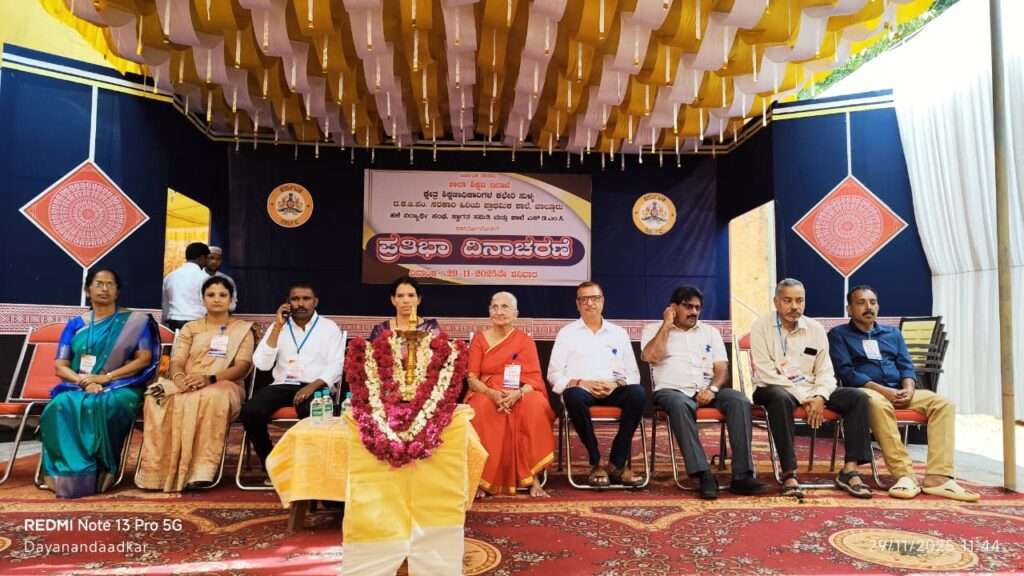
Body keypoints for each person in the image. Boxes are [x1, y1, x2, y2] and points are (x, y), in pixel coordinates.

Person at [828, 285, 980, 502]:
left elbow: (906, 365)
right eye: (861, 303)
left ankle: (938, 477)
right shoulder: (839, 335)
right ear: (849, 309)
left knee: (943, 404)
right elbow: (846, 372)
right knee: (876, 403)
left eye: (873, 302)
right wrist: (883, 391)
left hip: (900, 390)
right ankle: (904, 475)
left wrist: (908, 389)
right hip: (867, 390)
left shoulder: (893, 334)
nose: (868, 307)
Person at [39, 269, 160, 498]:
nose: (104, 289)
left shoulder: (135, 322)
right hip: (78, 385)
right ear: (88, 290)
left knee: (105, 403)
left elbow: (143, 359)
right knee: (59, 405)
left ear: (117, 291)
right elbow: (60, 365)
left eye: (110, 284)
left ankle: (102, 470)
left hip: (123, 385)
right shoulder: (75, 324)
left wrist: (107, 377)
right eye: (99, 284)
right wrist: (84, 381)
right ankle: (68, 475)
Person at [750, 278, 874, 499]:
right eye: (787, 300)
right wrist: (804, 397)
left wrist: (820, 396)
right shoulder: (761, 327)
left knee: (858, 397)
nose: (794, 306)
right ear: (776, 302)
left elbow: (826, 372)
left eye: (799, 301)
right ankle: (789, 473)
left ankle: (850, 470)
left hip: (812, 389)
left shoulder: (815, 329)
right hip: (773, 387)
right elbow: (766, 372)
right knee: (779, 398)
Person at [641, 286, 767, 499]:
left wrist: (713, 389)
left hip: (708, 390)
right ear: (673, 307)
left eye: (697, 307)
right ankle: (703, 474)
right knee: (679, 404)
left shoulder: (710, 332)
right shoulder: (653, 329)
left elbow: (721, 368)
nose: (694, 312)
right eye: (688, 306)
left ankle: (742, 475)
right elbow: (651, 357)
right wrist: (666, 325)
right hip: (672, 391)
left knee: (739, 400)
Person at [136, 276, 255, 492]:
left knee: (212, 396)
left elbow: (242, 366)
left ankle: (202, 471)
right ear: (202, 299)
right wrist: (179, 378)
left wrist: (209, 379)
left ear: (231, 300)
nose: (216, 299)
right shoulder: (191, 328)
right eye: (211, 295)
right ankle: (158, 472)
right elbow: (177, 359)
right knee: (156, 396)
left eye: (223, 295)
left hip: (224, 383)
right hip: (187, 381)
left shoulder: (243, 329)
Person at [548, 281, 646, 487]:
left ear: (603, 301)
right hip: (582, 390)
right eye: (584, 299)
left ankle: (617, 463)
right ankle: (596, 462)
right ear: (577, 304)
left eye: (594, 298)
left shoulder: (619, 333)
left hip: (614, 389)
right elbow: (554, 374)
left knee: (638, 393)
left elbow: (633, 374)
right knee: (572, 395)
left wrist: (615, 384)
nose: (590, 303)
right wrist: (582, 383)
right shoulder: (567, 333)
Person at [242, 281, 345, 471]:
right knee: (250, 411)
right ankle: (271, 464)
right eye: (295, 299)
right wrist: (277, 327)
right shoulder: (278, 327)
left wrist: (312, 386)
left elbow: (337, 365)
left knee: (312, 412)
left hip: (316, 387)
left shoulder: (329, 328)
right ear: (287, 302)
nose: (300, 304)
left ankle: (308, 468)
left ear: (315, 302)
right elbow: (262, 364)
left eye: (306, 299)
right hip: (282, 385)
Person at [467, 292, 555, 497]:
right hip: (487, 391)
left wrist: (518, 394)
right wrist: (491, 393)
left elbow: (535, 379)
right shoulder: (480, 339)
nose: (499, 311)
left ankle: (532, 477)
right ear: (489, 312)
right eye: (495, 307)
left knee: (535, 406)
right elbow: (472, 379)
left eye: (505, 307)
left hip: (519, 390)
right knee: (480, 407)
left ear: (516, 313)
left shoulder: (525, 341)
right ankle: (482, 479)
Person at [368, 275, 441, 340]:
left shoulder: (430, 328)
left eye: (411, 295)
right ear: (393, 300)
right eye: (400, 296)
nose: (406, 300)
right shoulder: (381, 330)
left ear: (419, 299)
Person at [162, 242, 211, 331]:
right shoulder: (204, 278)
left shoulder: (170, 276)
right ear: (202, 258)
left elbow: (165, 303)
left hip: (174, 323)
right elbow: (208, 303)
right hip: (197, 323)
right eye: (207, 258)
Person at [204, 246, 238, 312]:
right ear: (205, 259)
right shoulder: (197, 277)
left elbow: (233, 301)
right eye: (211, 258)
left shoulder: (227, 280)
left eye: (218, 259)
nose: (214, 261)